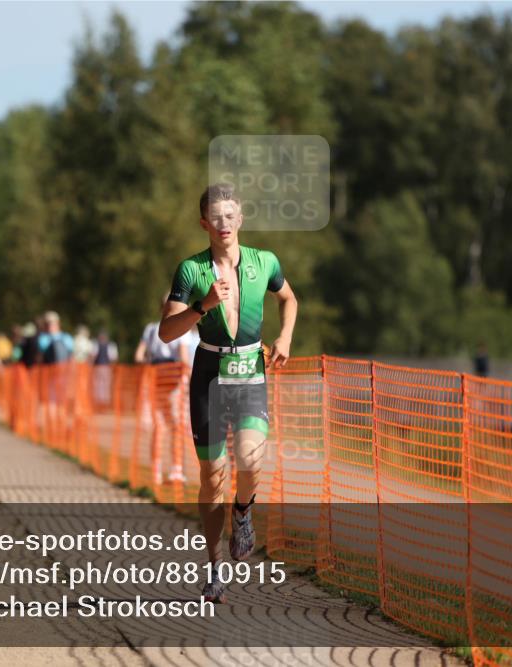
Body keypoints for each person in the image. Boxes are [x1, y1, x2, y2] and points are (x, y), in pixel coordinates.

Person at [158, 183, 298, 602]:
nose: (224, 223)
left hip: (251, 367)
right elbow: (166, 332)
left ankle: (243, 513)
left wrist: (286, 337)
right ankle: (216, 568)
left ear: (241, 218)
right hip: (210, 372)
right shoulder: (190, 270)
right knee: (212, 475)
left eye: (230, 214)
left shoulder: (264, 261)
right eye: (215, 216)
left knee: (253, 460)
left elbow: (289, 299)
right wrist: (202, 306)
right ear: (205, 223)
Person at [137, 296, 190, 484]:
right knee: (177, 425)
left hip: (156, 378)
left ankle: (156, 470)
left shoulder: (151, 329)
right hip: (174, 379)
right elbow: (183, 358)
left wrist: (152, 365)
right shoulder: (180, 329)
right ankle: (176, 469)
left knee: (158, 426)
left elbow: (139, 355)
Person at [91, 329, 118, 408]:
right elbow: (114, 358)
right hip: (105, 367)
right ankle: (102, 402)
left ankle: (101, 402)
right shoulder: (110, 345)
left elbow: (93, 356)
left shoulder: (97, 345)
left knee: (99, 385)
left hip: (100, 367)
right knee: (103, 385)